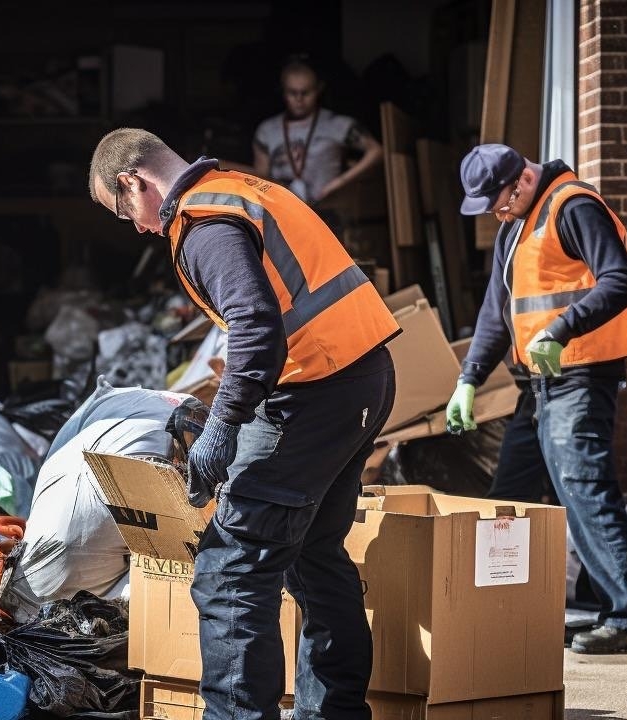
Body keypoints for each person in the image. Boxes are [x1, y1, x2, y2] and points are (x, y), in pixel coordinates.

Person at [89, 128, 398, 720]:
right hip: (361, 378)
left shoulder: (205, 228)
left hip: (316, 392)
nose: (138, 227)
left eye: (124, 210)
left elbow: (257, 327)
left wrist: (224, 425)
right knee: (314, 552)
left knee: (229, 569)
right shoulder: (237, 189)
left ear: (134, 181)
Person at [443, 144, 627, 653]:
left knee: (583, 487)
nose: (495, 212)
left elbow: (622, 281)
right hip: (536, 386)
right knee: (508, 494)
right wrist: (468, 377)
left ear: (521, 181)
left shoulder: (572, 205)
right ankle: (502, 609)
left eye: (497, 201)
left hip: (581, 375)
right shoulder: (514, 227)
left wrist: (563, 327)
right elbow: (497, 312)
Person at [250, 57, 382, 206]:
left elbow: (376, 151)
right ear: (283, 91)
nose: (299, 99)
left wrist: (341, 182)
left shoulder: (337, 124)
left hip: (328, 208)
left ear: (318, 89)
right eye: (292, 93)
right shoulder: (267, 130)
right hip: (283, 209)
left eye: (305, 92)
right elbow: (259, 178)